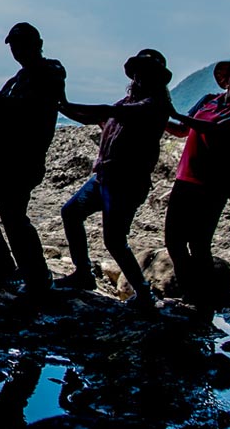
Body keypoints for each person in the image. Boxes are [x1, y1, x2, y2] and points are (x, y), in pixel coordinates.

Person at [58, 48, 171, 312]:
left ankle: (143, 292)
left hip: (127, 183)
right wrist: (63, 106)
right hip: (104, 177)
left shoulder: (153, 104)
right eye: (138, 72)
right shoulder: (127, 102)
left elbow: (106, 111)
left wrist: (63, 102)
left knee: (114, 239)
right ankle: (83, 274)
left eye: (146, 72)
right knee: (71, 212)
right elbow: (95, 116)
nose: (140, 77)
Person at [0, 22, 65, 298]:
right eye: (14, 46)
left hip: (21, 159)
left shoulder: (47, 75)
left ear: (37, 44)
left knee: (9, 215)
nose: (17, 51)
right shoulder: (20, 78)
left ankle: (33, 276)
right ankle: (9, 267)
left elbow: (16, 110)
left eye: (22, 44)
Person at [165, 55, 230, 315]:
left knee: (200, 243)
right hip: (185, 177)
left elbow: (219, 130)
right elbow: (182, 130)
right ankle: (191, 294)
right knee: (173, 241)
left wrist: (169, 113)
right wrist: (155, 118)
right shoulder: (208, 100)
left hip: (213, 183)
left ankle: (201, 301)